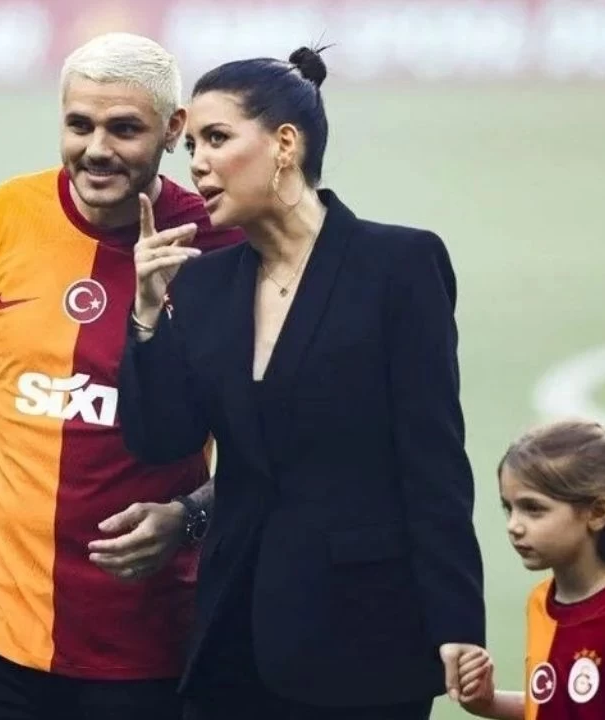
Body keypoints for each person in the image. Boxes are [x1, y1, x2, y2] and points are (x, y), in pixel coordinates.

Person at [0, 32, 242, 720]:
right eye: (79, 124)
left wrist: (187, 519)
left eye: (124, 128)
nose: (97, 148)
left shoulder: (224, 247)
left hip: (146, 644)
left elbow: (272, 445)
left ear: (173, 129)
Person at [119, 46, 486, 719]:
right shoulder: (202, 284)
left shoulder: (399, 265)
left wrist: (458, 621)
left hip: (367, 643)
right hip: (232, 640)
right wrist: (145, 316)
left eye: (217, 138)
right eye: (192, 145)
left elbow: (433, 459)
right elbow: (161, 438)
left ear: (285, 144)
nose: (196, 162)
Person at [454, 419, 605, 719]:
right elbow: (558, 706)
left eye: (533, 508)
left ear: (597, 513)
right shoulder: (540, 602)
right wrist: (489, 704)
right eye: (509, 508)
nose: (514, 526)